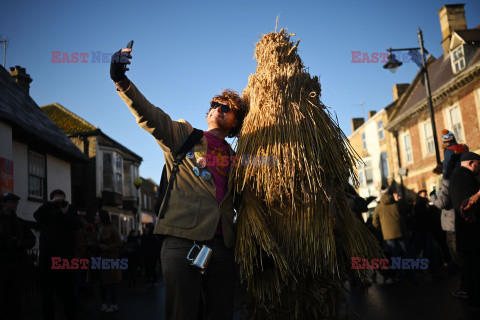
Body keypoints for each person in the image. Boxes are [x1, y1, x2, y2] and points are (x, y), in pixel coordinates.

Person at [110, 43, 248, 320]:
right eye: (214, 105)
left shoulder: (238, 158)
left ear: (235, 122)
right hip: (183, 241)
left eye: (226, 108)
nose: (218, 109)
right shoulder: (185, 135)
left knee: (221, 314)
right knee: (182, 313)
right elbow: (150, 115)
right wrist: (121, 80)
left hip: (222, 248)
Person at [33, 189, 82, 320]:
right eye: (56, 197)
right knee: (47, 293)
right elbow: (36, 215)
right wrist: (50, 203)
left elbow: (77, 224)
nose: (59, 199)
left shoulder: (70, 209)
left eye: (61, 197)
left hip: (66, 257)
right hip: (48, 257)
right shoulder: (47, 209)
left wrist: (66, 213)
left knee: (68, 292)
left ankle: (70, 316)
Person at [449, 151, 480, 311]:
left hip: (464, 231)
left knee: (469, 267)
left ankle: (473, 301)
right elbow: (472, 204)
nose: (478, 168)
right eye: (477, 164)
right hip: (472, 230)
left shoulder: (455, 178)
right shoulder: (466, 178)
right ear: (470, 162)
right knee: (475, 268)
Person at [0, 193, 36, 320]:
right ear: (3, 203)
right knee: (4, 299)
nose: (15, 204)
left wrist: (22, 243)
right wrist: (6, 243)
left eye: (16, 202)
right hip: (3, 266)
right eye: (11, 201)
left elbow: (32, 239)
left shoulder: (20, 222)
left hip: (18, 266)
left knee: (17, 299)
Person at [373, 186, 416, 282]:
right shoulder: (397, 205)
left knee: (395, 256)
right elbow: (404, 216)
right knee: (406, 254)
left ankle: (401, 276)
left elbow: (375, 223)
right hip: (401, 232)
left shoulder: (379, 207)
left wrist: (382, 230)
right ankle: (411, 274)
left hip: (388, 235)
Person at [94, 209, 122, 313]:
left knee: (111, 283)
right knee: (102, 283)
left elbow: (119, 243)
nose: (95, 217)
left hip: (110, 259)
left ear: (102, 217)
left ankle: (114, 304)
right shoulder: (97, 229)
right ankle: (104, 303)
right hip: (100, 260)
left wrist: (107, 247)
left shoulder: (112, 229)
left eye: (97, 216)